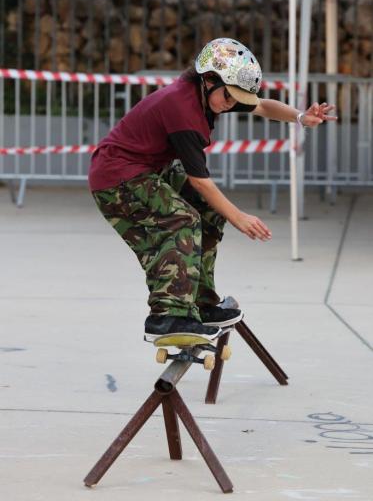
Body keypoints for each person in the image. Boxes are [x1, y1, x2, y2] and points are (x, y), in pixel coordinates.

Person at [88, 37, 337, 343]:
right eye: (229, 98)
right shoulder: (182, 109)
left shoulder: (213, 94)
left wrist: (300, 117)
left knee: (207, 211)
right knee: (181, 220)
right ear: (208, 79)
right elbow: (200, 181)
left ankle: (201, 302)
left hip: (148, 169)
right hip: (118, 176)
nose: (231, 105)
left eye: (236, 99)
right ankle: (168, 315)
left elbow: (261, 106)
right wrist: (238, 216)